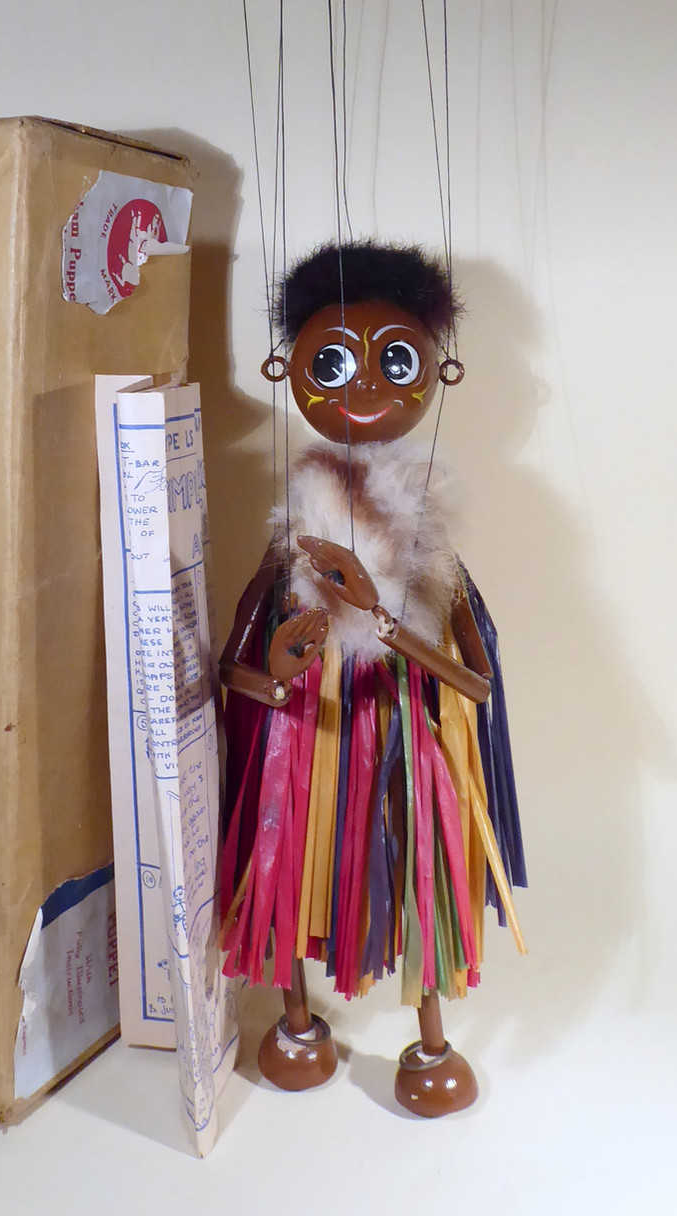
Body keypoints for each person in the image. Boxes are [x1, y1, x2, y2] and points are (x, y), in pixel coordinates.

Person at [217, 240, 526, 1111]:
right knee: (286, 856)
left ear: (438, 371)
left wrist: (381, 621)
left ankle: (429, 1044)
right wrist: (275, 680)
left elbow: (476, 687)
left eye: (393, 361)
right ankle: (296, 1023)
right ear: (285, 369)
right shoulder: (294, 532)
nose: (359, 385)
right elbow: (235, 668)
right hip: (305, 743)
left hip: (402, 737)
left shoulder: (430, 540)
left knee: (416, 869)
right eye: (330, 363)